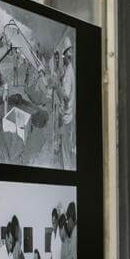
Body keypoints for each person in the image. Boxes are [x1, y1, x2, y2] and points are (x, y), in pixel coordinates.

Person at [56, 41, 75, 169]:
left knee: (65, 148)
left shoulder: (69, 73)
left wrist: (58, 86)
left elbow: (66, 96)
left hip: (67, 116)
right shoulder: (70, 70)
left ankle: (67, 169)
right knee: (66, 143)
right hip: (69, 114)